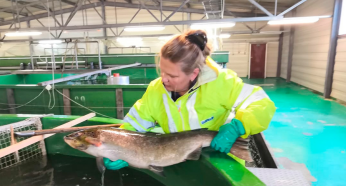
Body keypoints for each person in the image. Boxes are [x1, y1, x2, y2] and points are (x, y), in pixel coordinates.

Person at [104, 29, 276, 170]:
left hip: (220, 157)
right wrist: (119, 148)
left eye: (172, 75)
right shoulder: (156, 90)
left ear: (194, 73)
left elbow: (261, 103)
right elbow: (134, 123)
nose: (164, 79)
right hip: (176, 158)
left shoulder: (220, 83)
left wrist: (238, 126)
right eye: (162, 71)